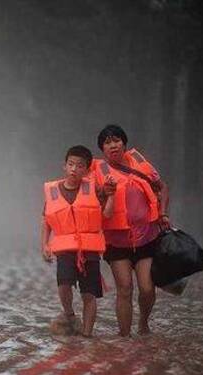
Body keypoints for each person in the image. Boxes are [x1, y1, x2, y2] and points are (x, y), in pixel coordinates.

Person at [92, 124, 170, 337]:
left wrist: (162, 213)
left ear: (124, 143)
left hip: (146, 238)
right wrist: (102, 192)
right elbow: (90, 197)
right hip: (117, 242)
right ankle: (124, 337)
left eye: (116, 140)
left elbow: (162, 187)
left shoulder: (141, 164)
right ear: (102, 150)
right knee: (125, 288)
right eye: (107, 143)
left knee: (147, 289)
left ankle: (143, 323)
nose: (113, 145)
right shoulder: (97, 172)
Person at [41, 145, 114, 338]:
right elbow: (46, 220)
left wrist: (111, 196)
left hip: (89, 250)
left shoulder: (95, 191)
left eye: (80, 166)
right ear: (64, 166)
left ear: (87, 170)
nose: (74, 169)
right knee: (63, 284)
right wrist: (45, 245)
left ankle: (87, 336)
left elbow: (107, 214)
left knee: (89, 294)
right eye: (71, 164)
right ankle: (70, 314)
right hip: (65, 248)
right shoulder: (52, 191)